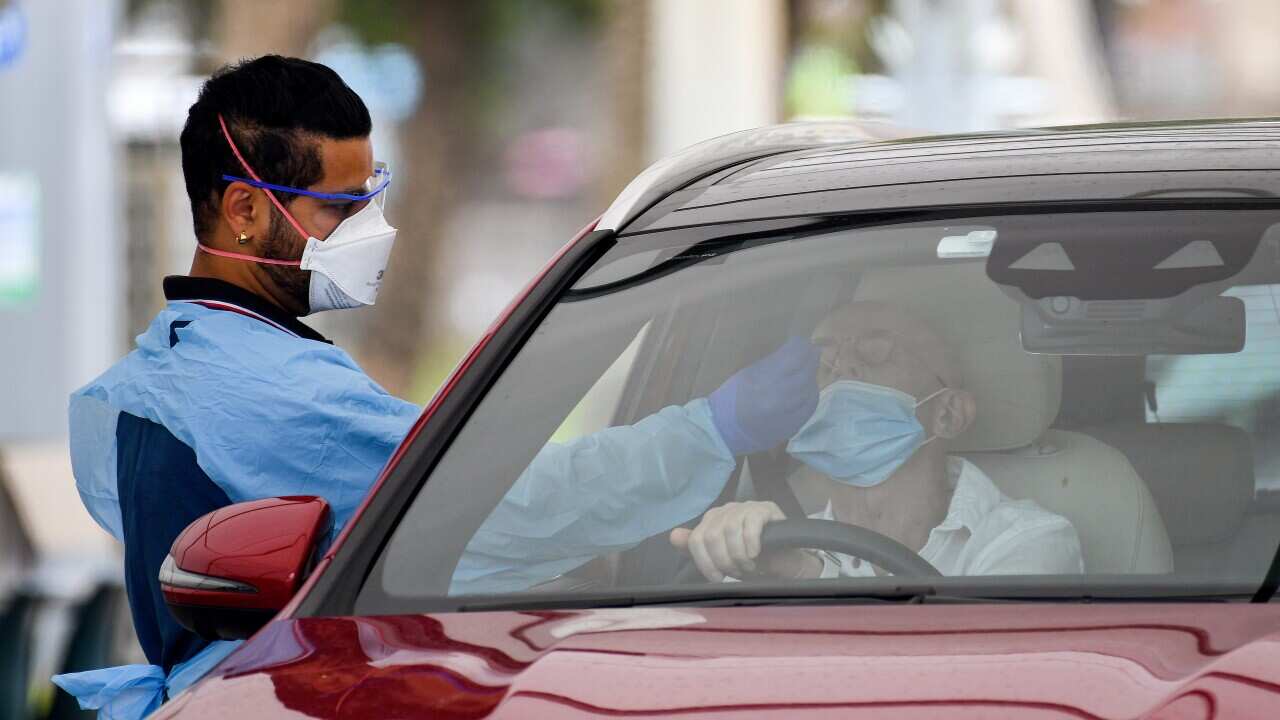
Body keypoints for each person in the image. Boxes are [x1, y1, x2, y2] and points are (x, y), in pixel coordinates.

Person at [53, 56, 818, 719]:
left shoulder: (192, 357)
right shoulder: (255, 390)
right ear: (245, 209)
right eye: (341, 209)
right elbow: (505, 498)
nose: (371, 230)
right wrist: (714, 429)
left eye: (371, 198)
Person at [670, 301, 1084, 582]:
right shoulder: (775, 548)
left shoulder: (1030, 541)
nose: (842, 366)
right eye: (822, 362)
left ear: (948, 413)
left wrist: (812, 580)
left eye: (875, 353)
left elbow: (977, 682)